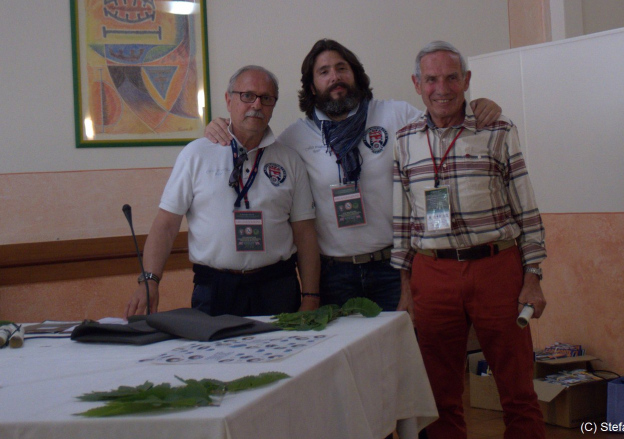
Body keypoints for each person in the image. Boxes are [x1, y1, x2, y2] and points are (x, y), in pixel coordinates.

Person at [205, 39, 501, 312]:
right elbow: (256, 148)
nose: (334, 77)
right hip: (333, 275)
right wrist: (223, 127)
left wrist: (476, 106)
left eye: (341, 68)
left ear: (356, 75)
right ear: (311, 86)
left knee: (404, 347)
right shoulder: (295, 138)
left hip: (394, 268)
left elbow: (444, 123)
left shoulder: (394, 115)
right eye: (323, 72)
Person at [392, 41, 547, 439]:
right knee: (439, 394)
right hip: (432, 273)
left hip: (497, 268)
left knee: (517, 388)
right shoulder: (405, 140)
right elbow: (403, 222)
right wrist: (406, 288)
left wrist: (533, 277)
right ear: (417, 84)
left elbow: (526, 208)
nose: (441, 88)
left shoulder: (498, 130)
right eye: (431, 79)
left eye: (451, 77)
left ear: (466, 80)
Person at [125, 65, 320, 318]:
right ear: (228, 100)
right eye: (247, 95)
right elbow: (166, 224)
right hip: (215, 289)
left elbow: (305, 233)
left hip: (277, 286)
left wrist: (311, 296)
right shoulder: (196, 154)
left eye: (266, 98)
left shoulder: (290, 160)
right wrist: (149, 281)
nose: (257, 105)